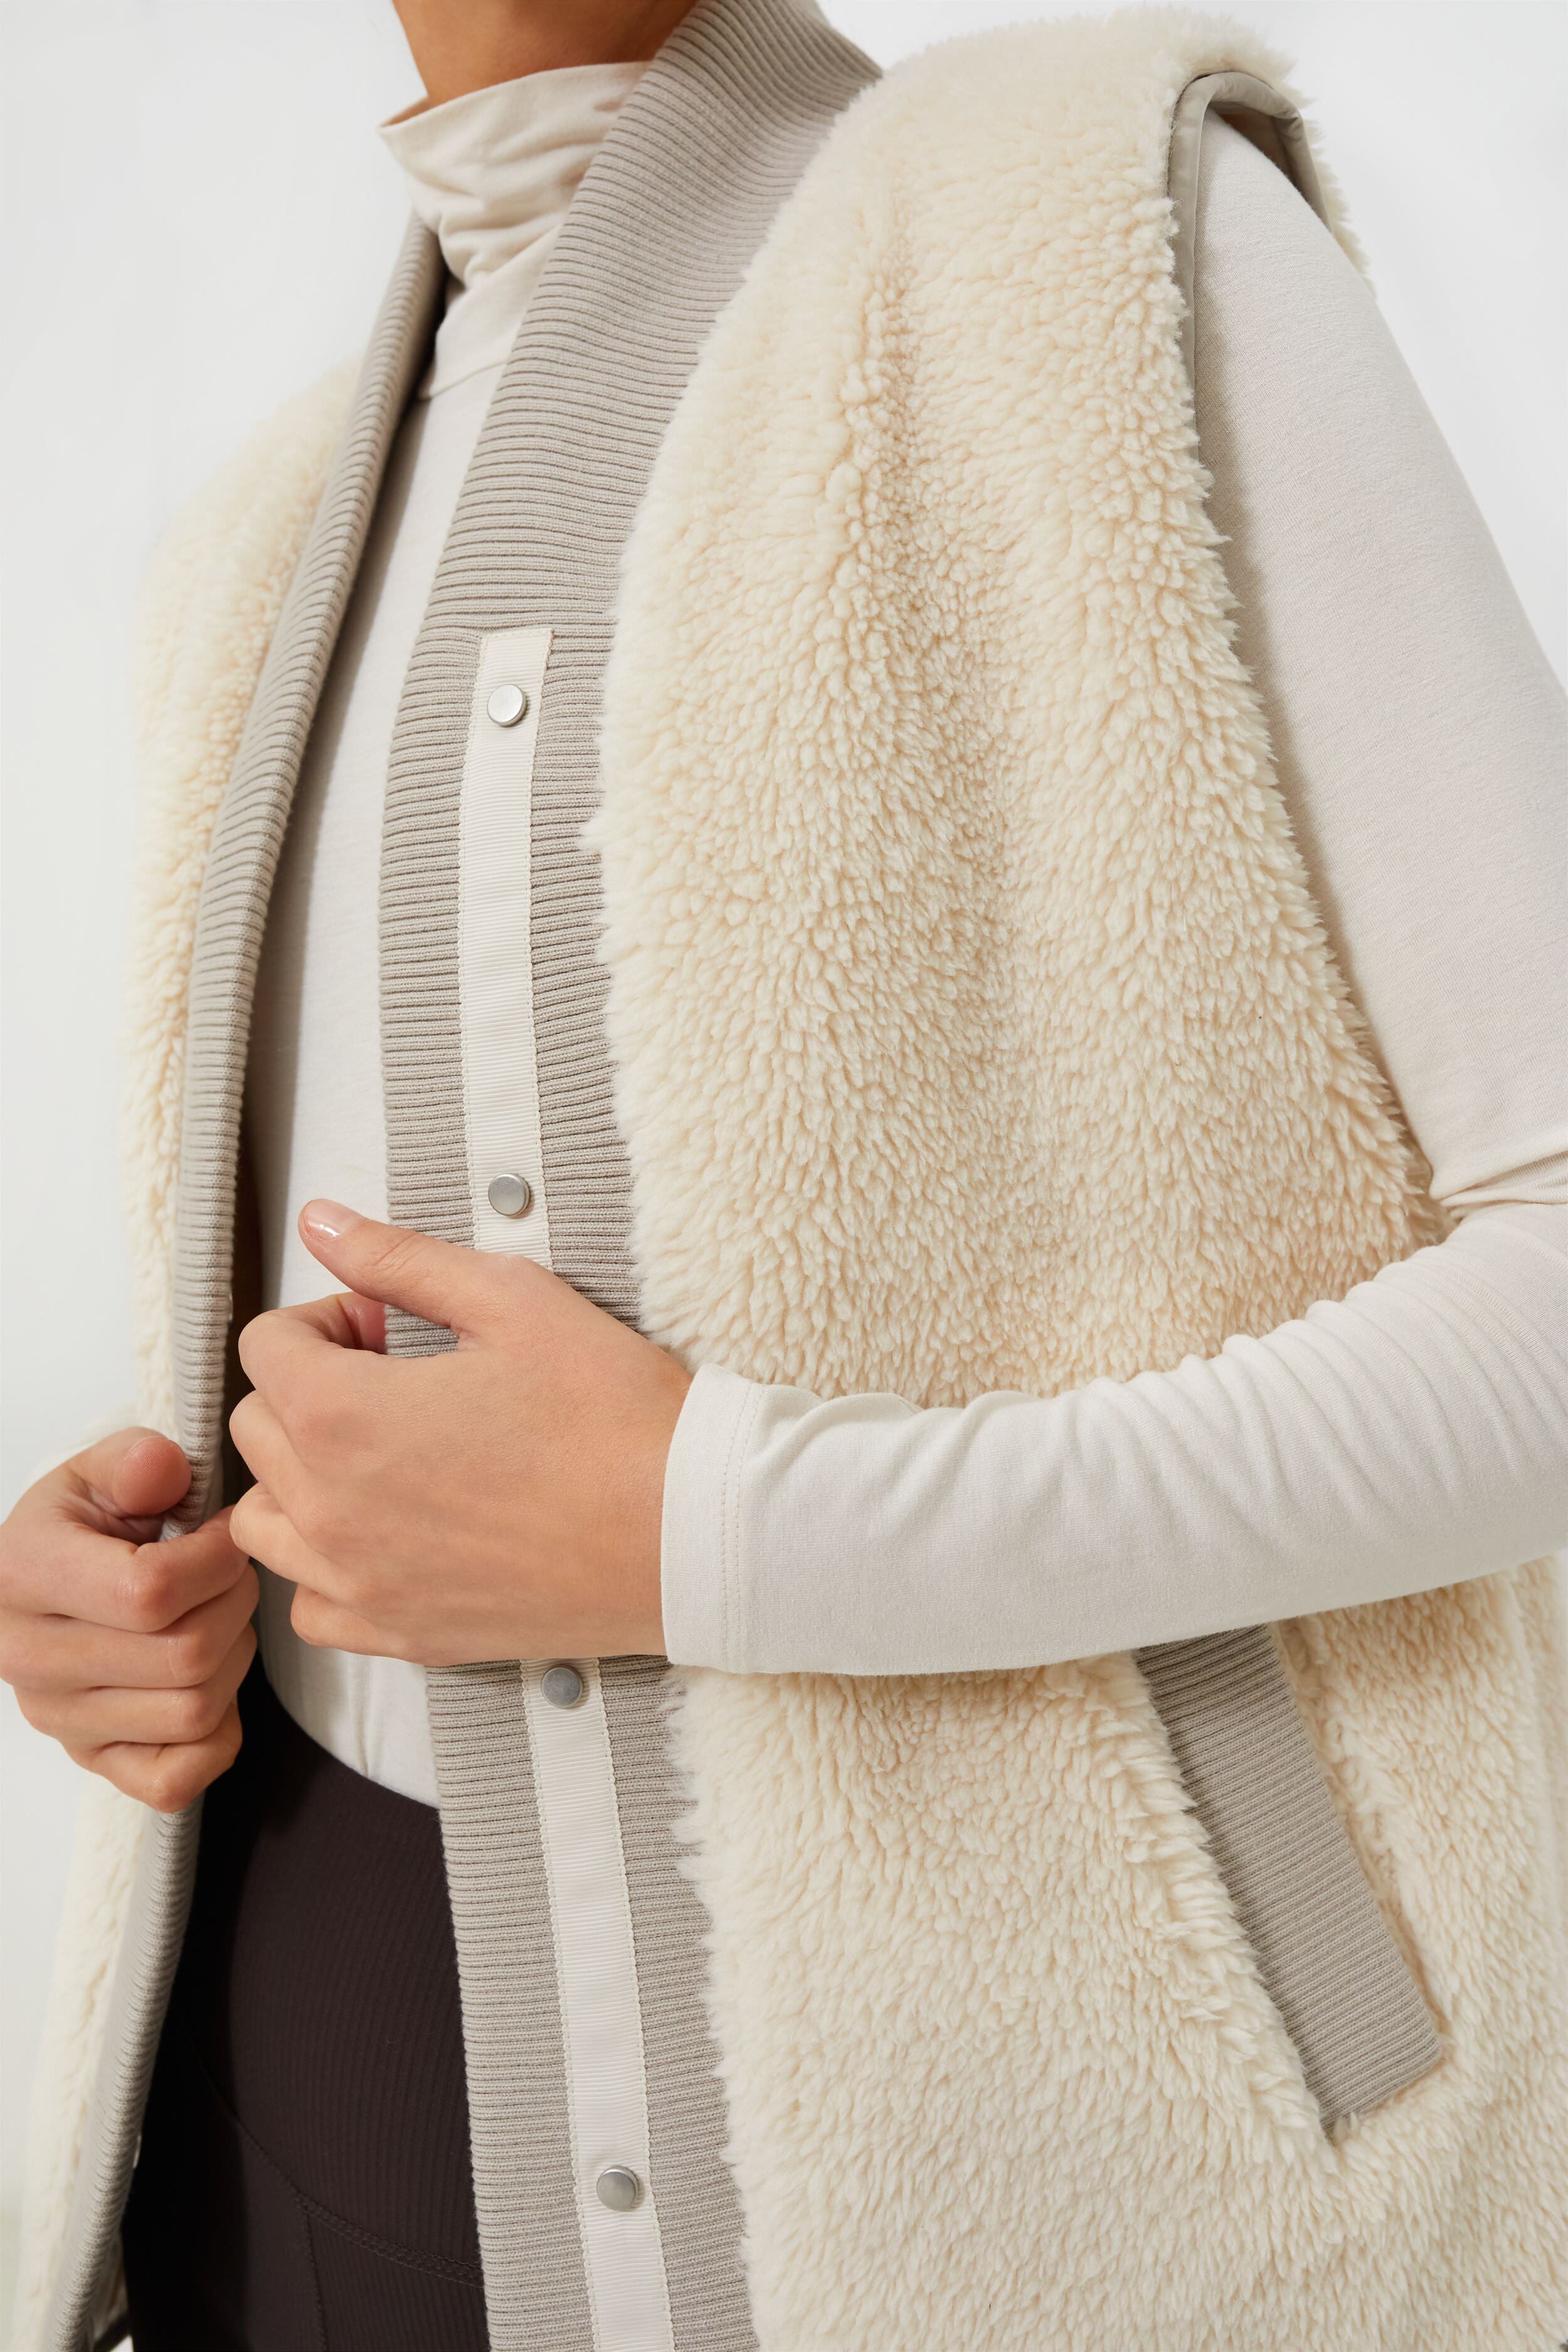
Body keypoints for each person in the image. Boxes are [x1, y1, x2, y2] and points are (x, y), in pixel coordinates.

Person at [4, 0, 1565, 2345]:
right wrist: (152, 1576)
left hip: (1027, 2188)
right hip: (290, 2095)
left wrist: (714, 1529)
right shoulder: (262, 535)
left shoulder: (1090, 236)